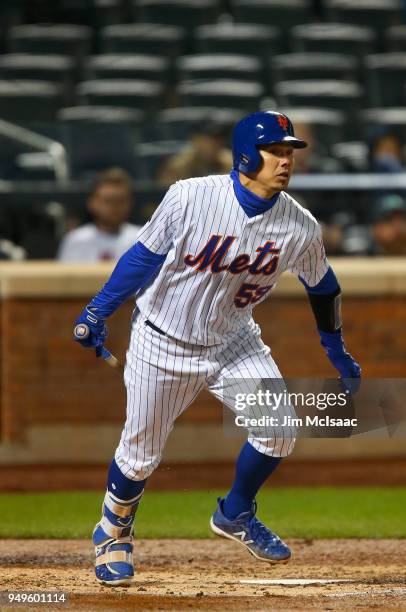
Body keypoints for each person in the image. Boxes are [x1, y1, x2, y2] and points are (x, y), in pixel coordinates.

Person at [73, 111, 361, 586]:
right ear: (247, 153)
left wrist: (337, 349)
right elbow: (142, 257)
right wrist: (96, 311)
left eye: (290, 152)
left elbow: (323, 286)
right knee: (140, 454)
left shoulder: (300, 225)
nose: (286, 161)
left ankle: (236, 512)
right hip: (163, 339)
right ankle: (113, 531)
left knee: (278, 428)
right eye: (276, 151)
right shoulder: (190, 196)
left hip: (233, 340)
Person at [57, 168, 140, 262]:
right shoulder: (75, 240)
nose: (114, 207)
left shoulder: (142, 240)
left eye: (120, 201)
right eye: (108, 201)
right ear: (92, 203)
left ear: (130, 203)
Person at [156, 121, 233, 187]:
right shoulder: (177, 167)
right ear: (195, 139)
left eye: (217, 139)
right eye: (207, 140)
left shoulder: (231, 164)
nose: (213, 144)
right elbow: (164, 198)